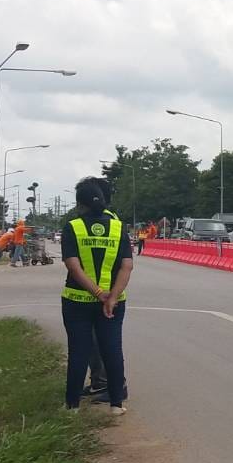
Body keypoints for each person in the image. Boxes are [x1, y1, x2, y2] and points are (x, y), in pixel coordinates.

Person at [62, 177, 133, 415]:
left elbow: (73, 266)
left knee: (78, 352)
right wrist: (111, 297)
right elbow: (127, 266)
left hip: (77, 300)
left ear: (79, 204)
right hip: (113, 302)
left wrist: (97, 293)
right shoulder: (118, 227)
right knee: (112, 350)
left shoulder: (73, 227)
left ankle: (72, 406)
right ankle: (116, 405)